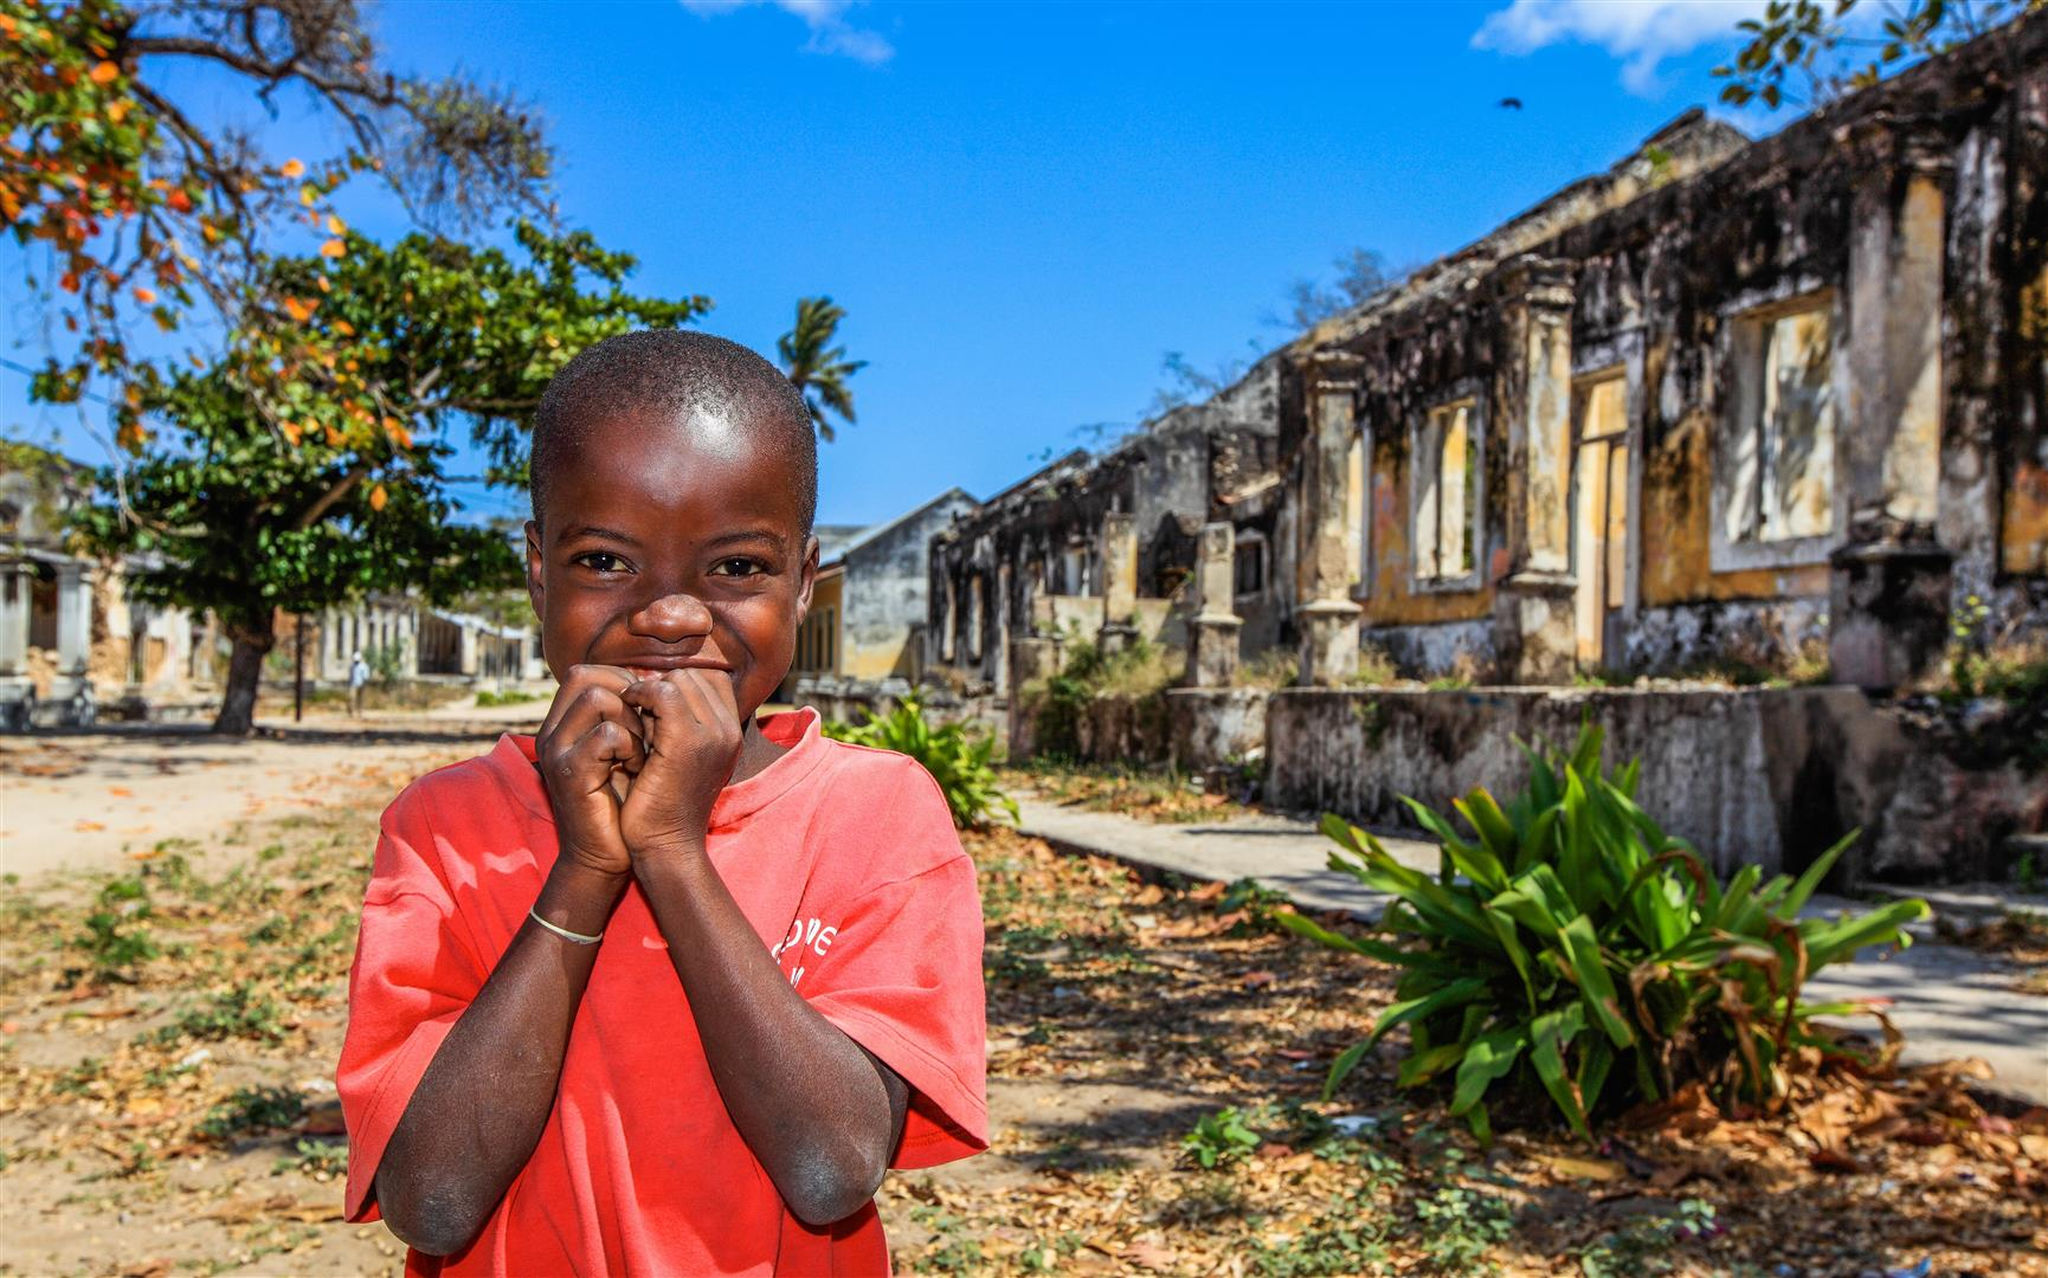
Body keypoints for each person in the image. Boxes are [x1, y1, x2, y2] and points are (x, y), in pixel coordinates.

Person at [335, 330, 988, 1275]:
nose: (672, 615)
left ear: (803, 584)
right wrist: (587, 871)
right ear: (536, 570)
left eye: (736, 569)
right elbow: (431, 1202)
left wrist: (674, 854)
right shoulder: (445, 828)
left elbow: (831, 1167)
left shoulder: (879, 817)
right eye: (606, 560)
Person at [348, 650, 370, 718]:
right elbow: (351, 675)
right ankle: (351, 712)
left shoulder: (364, 666)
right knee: (351, 698)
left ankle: (360, 712)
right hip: (353, 684)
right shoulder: (352, 666)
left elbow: (366, 676)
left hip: (361, 684)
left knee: (360, 699)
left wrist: (364, 683)